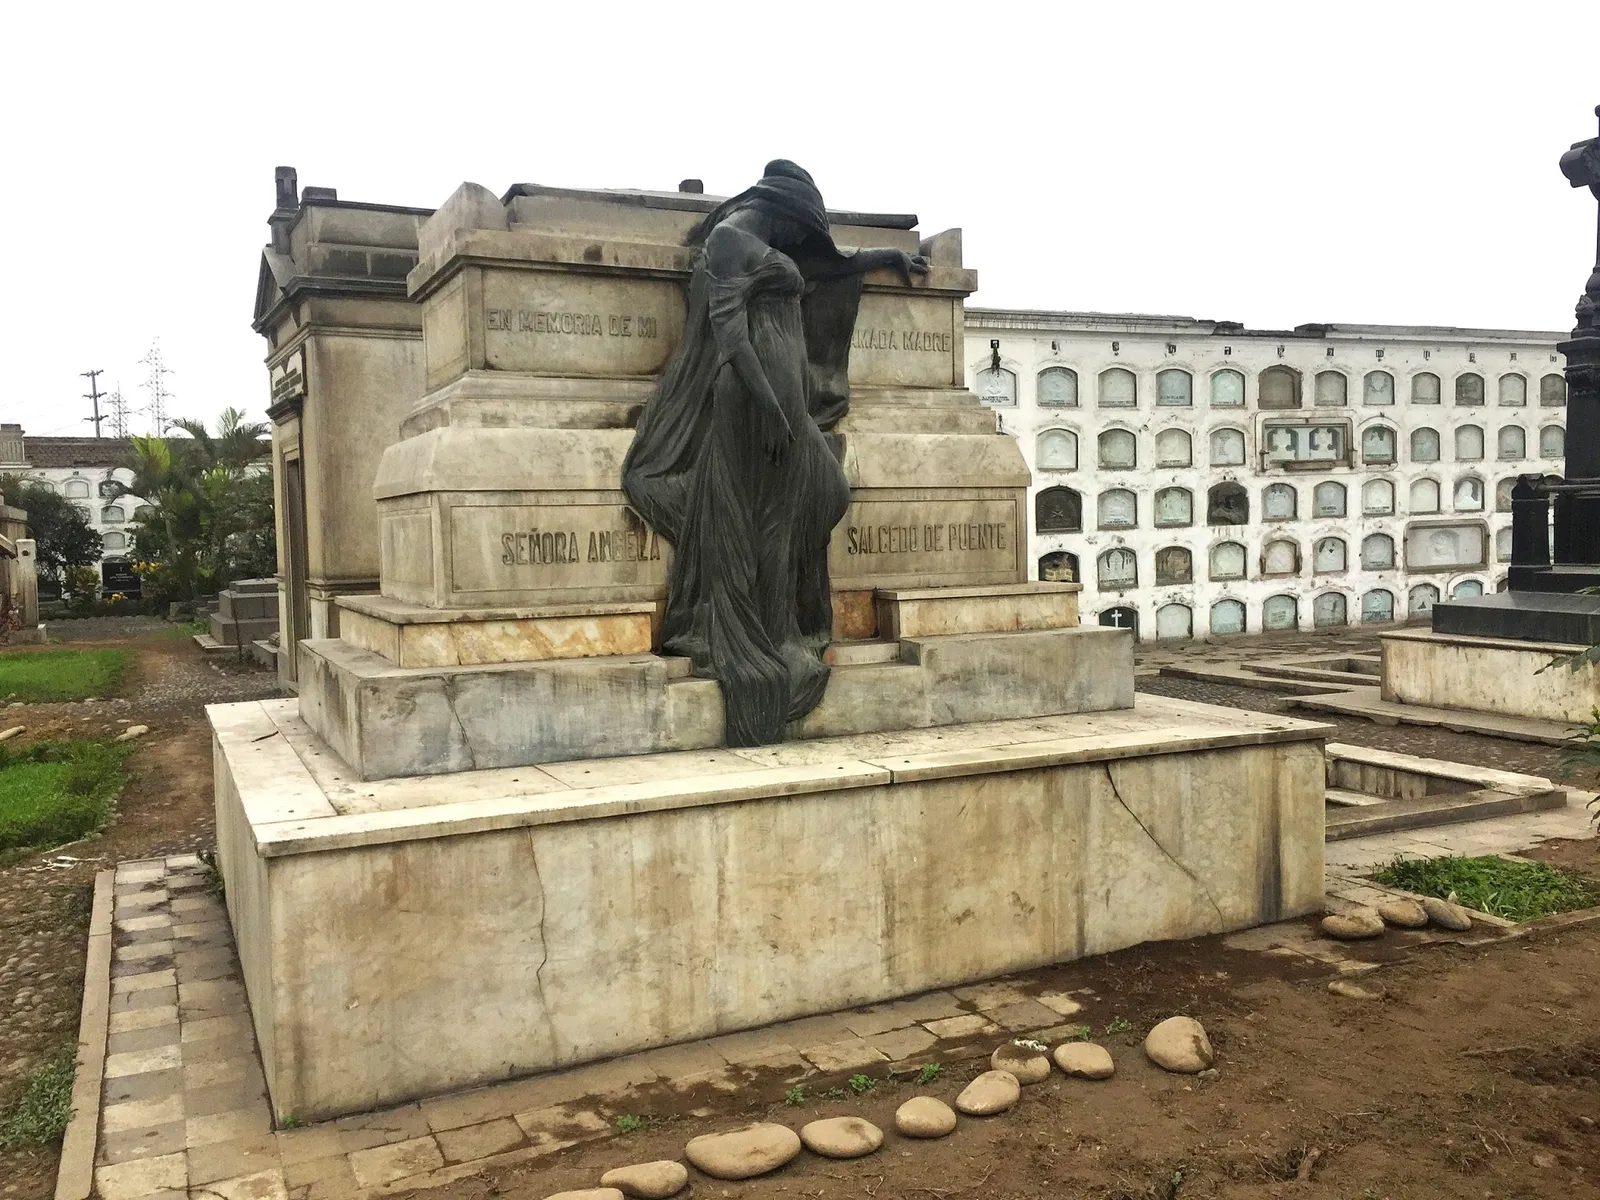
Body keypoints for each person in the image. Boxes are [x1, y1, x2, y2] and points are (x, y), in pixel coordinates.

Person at [622, 161, 927, 745]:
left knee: (824, 495)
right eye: (802, 227)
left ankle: (782, 622)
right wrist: (770, 407)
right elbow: (729, 336)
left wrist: (885, 258)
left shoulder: (763, 241)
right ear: (787, 212)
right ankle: (762, 638)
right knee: (766, 514)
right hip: (752, 401)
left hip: (782, 402)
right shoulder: (730, 240)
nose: (802, 242)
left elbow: (826, 265)